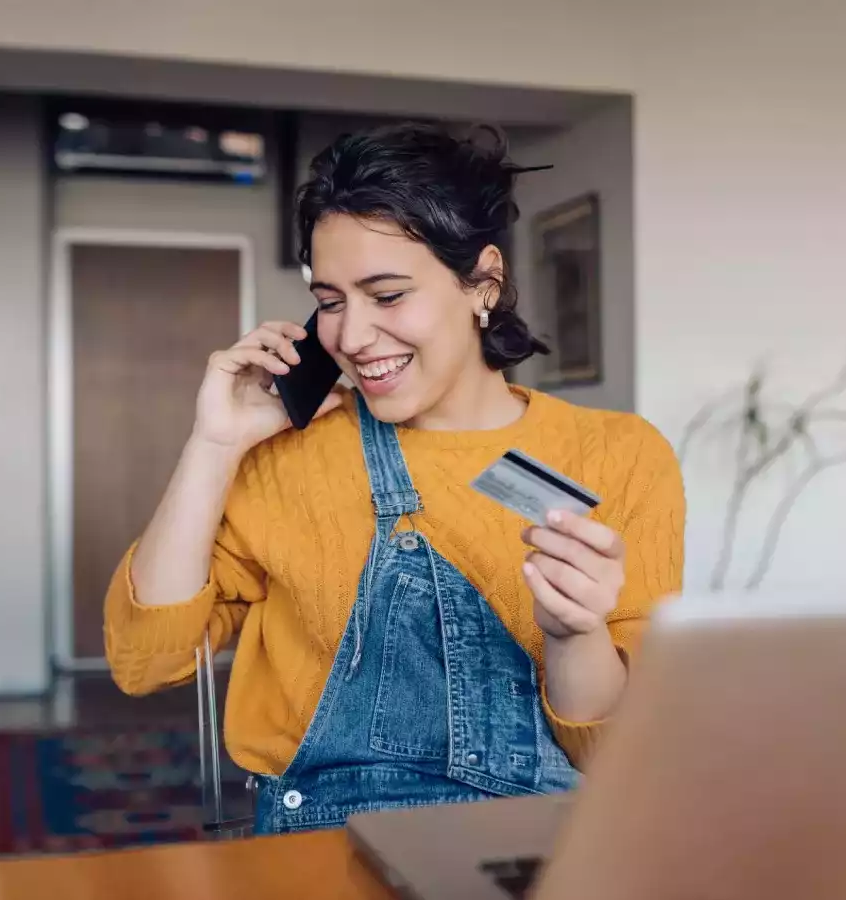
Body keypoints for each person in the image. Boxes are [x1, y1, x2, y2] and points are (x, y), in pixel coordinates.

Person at [104, 122, 685, 835]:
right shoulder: (291, 455)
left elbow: (609, 754)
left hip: (532, 850)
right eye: (331, 299)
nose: (349, 338)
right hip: (319, 853)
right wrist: (213, 444)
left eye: (386, 294)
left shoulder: (619, 455)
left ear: (484, 282)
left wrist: (575, 632)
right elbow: (145, 662)